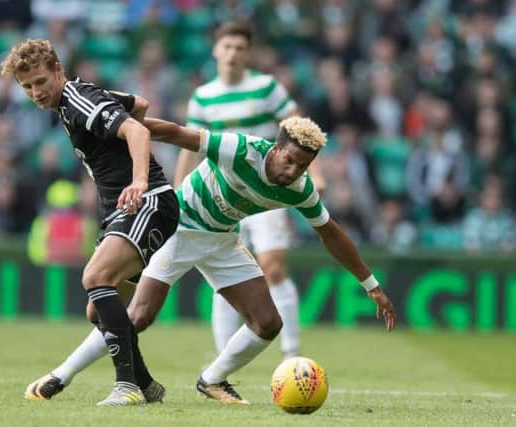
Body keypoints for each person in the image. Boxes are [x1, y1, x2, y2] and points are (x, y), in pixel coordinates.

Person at [126, 115, 396, 404]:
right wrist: (122, 122)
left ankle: (215, 378)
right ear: (276, 147)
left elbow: (331, 234)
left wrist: (372, 285)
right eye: (290, 161)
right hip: (184, 220)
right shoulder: (238, 147)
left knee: (269, 311)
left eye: (303, 166)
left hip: (226, 230)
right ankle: (76, 375)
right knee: (137, 315)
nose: (294, 171)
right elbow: (179, 134)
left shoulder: (298, 183)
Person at [0, 39, 179, 406]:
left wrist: (140, 180)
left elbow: (139, 130)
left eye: (40, 81)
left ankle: (126, 385)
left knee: (95, 278)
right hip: (124, 210)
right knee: (98, 310)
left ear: (57, 71)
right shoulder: (79, 98)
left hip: (147, 201)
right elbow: (139, 107)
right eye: (27, 86)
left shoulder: (79, 100)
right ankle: (145, 384)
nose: (36, 92)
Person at [174, 20, 326, 360]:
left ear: (249, 53)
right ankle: (223, 360)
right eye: (227, 47)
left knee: (273, 266)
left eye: (240, 48)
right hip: (221, 196)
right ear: (216, 50)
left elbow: (300, 131)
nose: (233, 54)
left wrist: (317, 173)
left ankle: (291, 355)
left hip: (267, 194)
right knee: (224, 274)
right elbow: (191, 147)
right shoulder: (203, 97)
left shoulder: (266, 87)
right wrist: (177, 189)